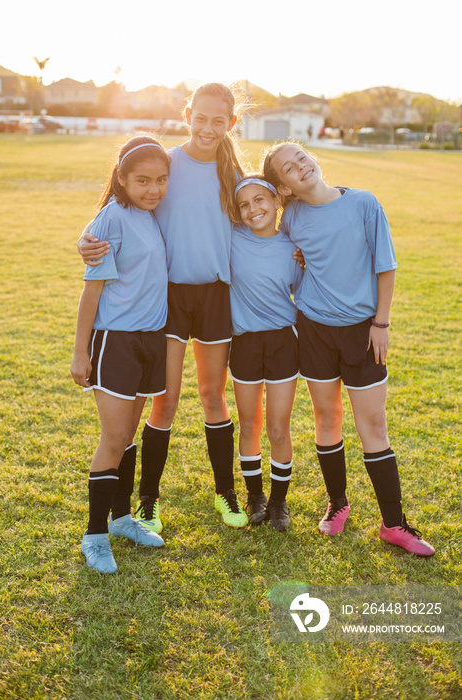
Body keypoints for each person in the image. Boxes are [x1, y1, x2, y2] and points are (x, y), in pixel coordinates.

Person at [77, 83, 249, 531]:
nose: (208, 128)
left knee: (213, 396)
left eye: (219, 120)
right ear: (187, 114)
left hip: (215, 295)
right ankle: (147, 500)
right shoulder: (165, 164)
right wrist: (85, 240)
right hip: (167, 297)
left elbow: (272, 209)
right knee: (165, 401)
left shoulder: (235, 173)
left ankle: (225, 493)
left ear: (231, 124)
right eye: (201, 117)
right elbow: (121, 204)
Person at [263, 141, 435, 556]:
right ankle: (338, 503)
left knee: (373, 426)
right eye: (289, 167)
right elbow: (278, 252)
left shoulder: (363, 203)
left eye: (301, 157)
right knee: (327, 419)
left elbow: (385, 264)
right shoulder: (292, 219)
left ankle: (394, 523)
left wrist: (381, 322)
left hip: (363, 330)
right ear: (283, 188)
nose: (301, 165)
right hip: (315, 330)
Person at [71, 135, 170, 574]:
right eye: (143, 181)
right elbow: (90, 293)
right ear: (122, 179)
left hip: (151, 340)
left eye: (161, 180)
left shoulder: (153, 214)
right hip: (116, 340)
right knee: (112, 439)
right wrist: (80, 353)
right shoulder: (112, 217)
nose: (153, 189)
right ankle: (94, 535)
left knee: (127, 437)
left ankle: (122, 518)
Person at [230, 176, 303, 531]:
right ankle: (255, 496)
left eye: (260, 200)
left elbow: (305, 292)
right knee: (249, 425)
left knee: (277, 428)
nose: (253, 209)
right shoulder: (231, 240)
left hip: (282, 343)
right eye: (244, 204)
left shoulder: (293, 248)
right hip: (243, 342)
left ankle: (278, 502)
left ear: (276, 202)